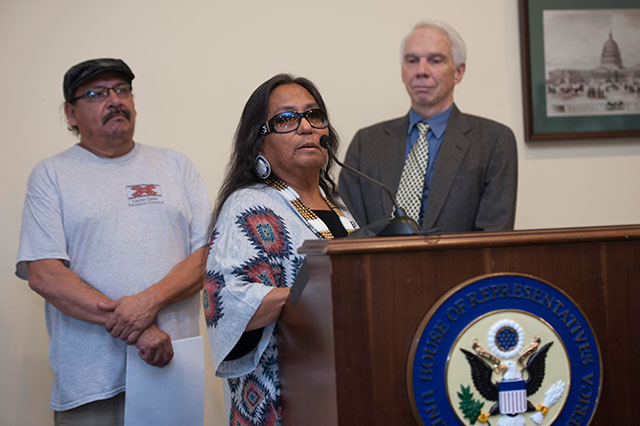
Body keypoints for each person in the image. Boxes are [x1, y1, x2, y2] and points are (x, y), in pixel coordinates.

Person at [15, 58, 210, 425]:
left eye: (122, 90)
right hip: (90, 383)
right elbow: (45, 274)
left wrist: (147, 302)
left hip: (171, 371)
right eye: (97, 94)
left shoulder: (174, 165)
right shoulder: (51, 175)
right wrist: (138, 326)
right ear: (71, 114)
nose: (114, 100)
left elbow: (207, 255)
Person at [203, 74, 357, 424]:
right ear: (258, 144)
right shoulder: (248, 206)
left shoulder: (340, 208)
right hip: (279, 401)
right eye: (286, 119)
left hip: (346, 391)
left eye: (313, 115)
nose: (305, 127)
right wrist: (313, 293)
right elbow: (229, 301)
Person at [339, 21, 518, 233]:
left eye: (435, 60)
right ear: (403, 72)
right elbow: (350, 232)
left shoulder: (494, 141)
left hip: (462, 266)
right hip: (379, 265)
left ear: (458, 72)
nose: (421, 71)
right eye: (412, 61)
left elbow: (494, 234)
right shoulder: (366, 143)